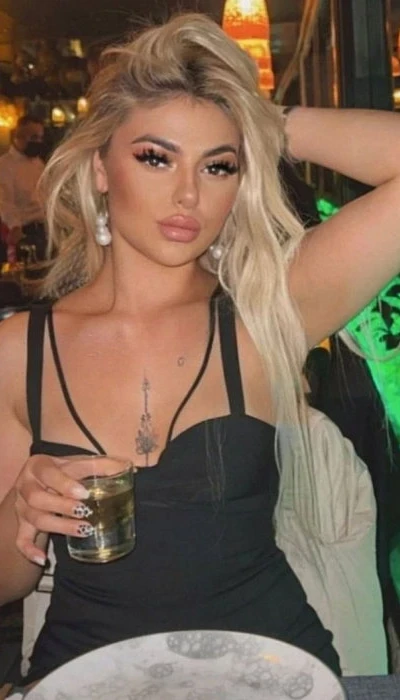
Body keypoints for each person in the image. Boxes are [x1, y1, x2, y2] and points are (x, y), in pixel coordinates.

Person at [0, 11, 397, 687]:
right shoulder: (19, 351)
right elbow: (7, 581)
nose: (188, 193)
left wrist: (259, 119)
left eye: (218, 165)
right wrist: (21, 508)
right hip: (88, 678)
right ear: (100, 169)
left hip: (269, 674)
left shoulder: (267, 312)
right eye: (156, 157)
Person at [0, 115, 47, 262]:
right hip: (24, 232)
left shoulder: (38, 164)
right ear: (18, 136)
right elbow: (5, 202)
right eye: (33, 137)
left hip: (44, 229)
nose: (38, 142)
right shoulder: (5, 165)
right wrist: (15, 226)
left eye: (40, 137)